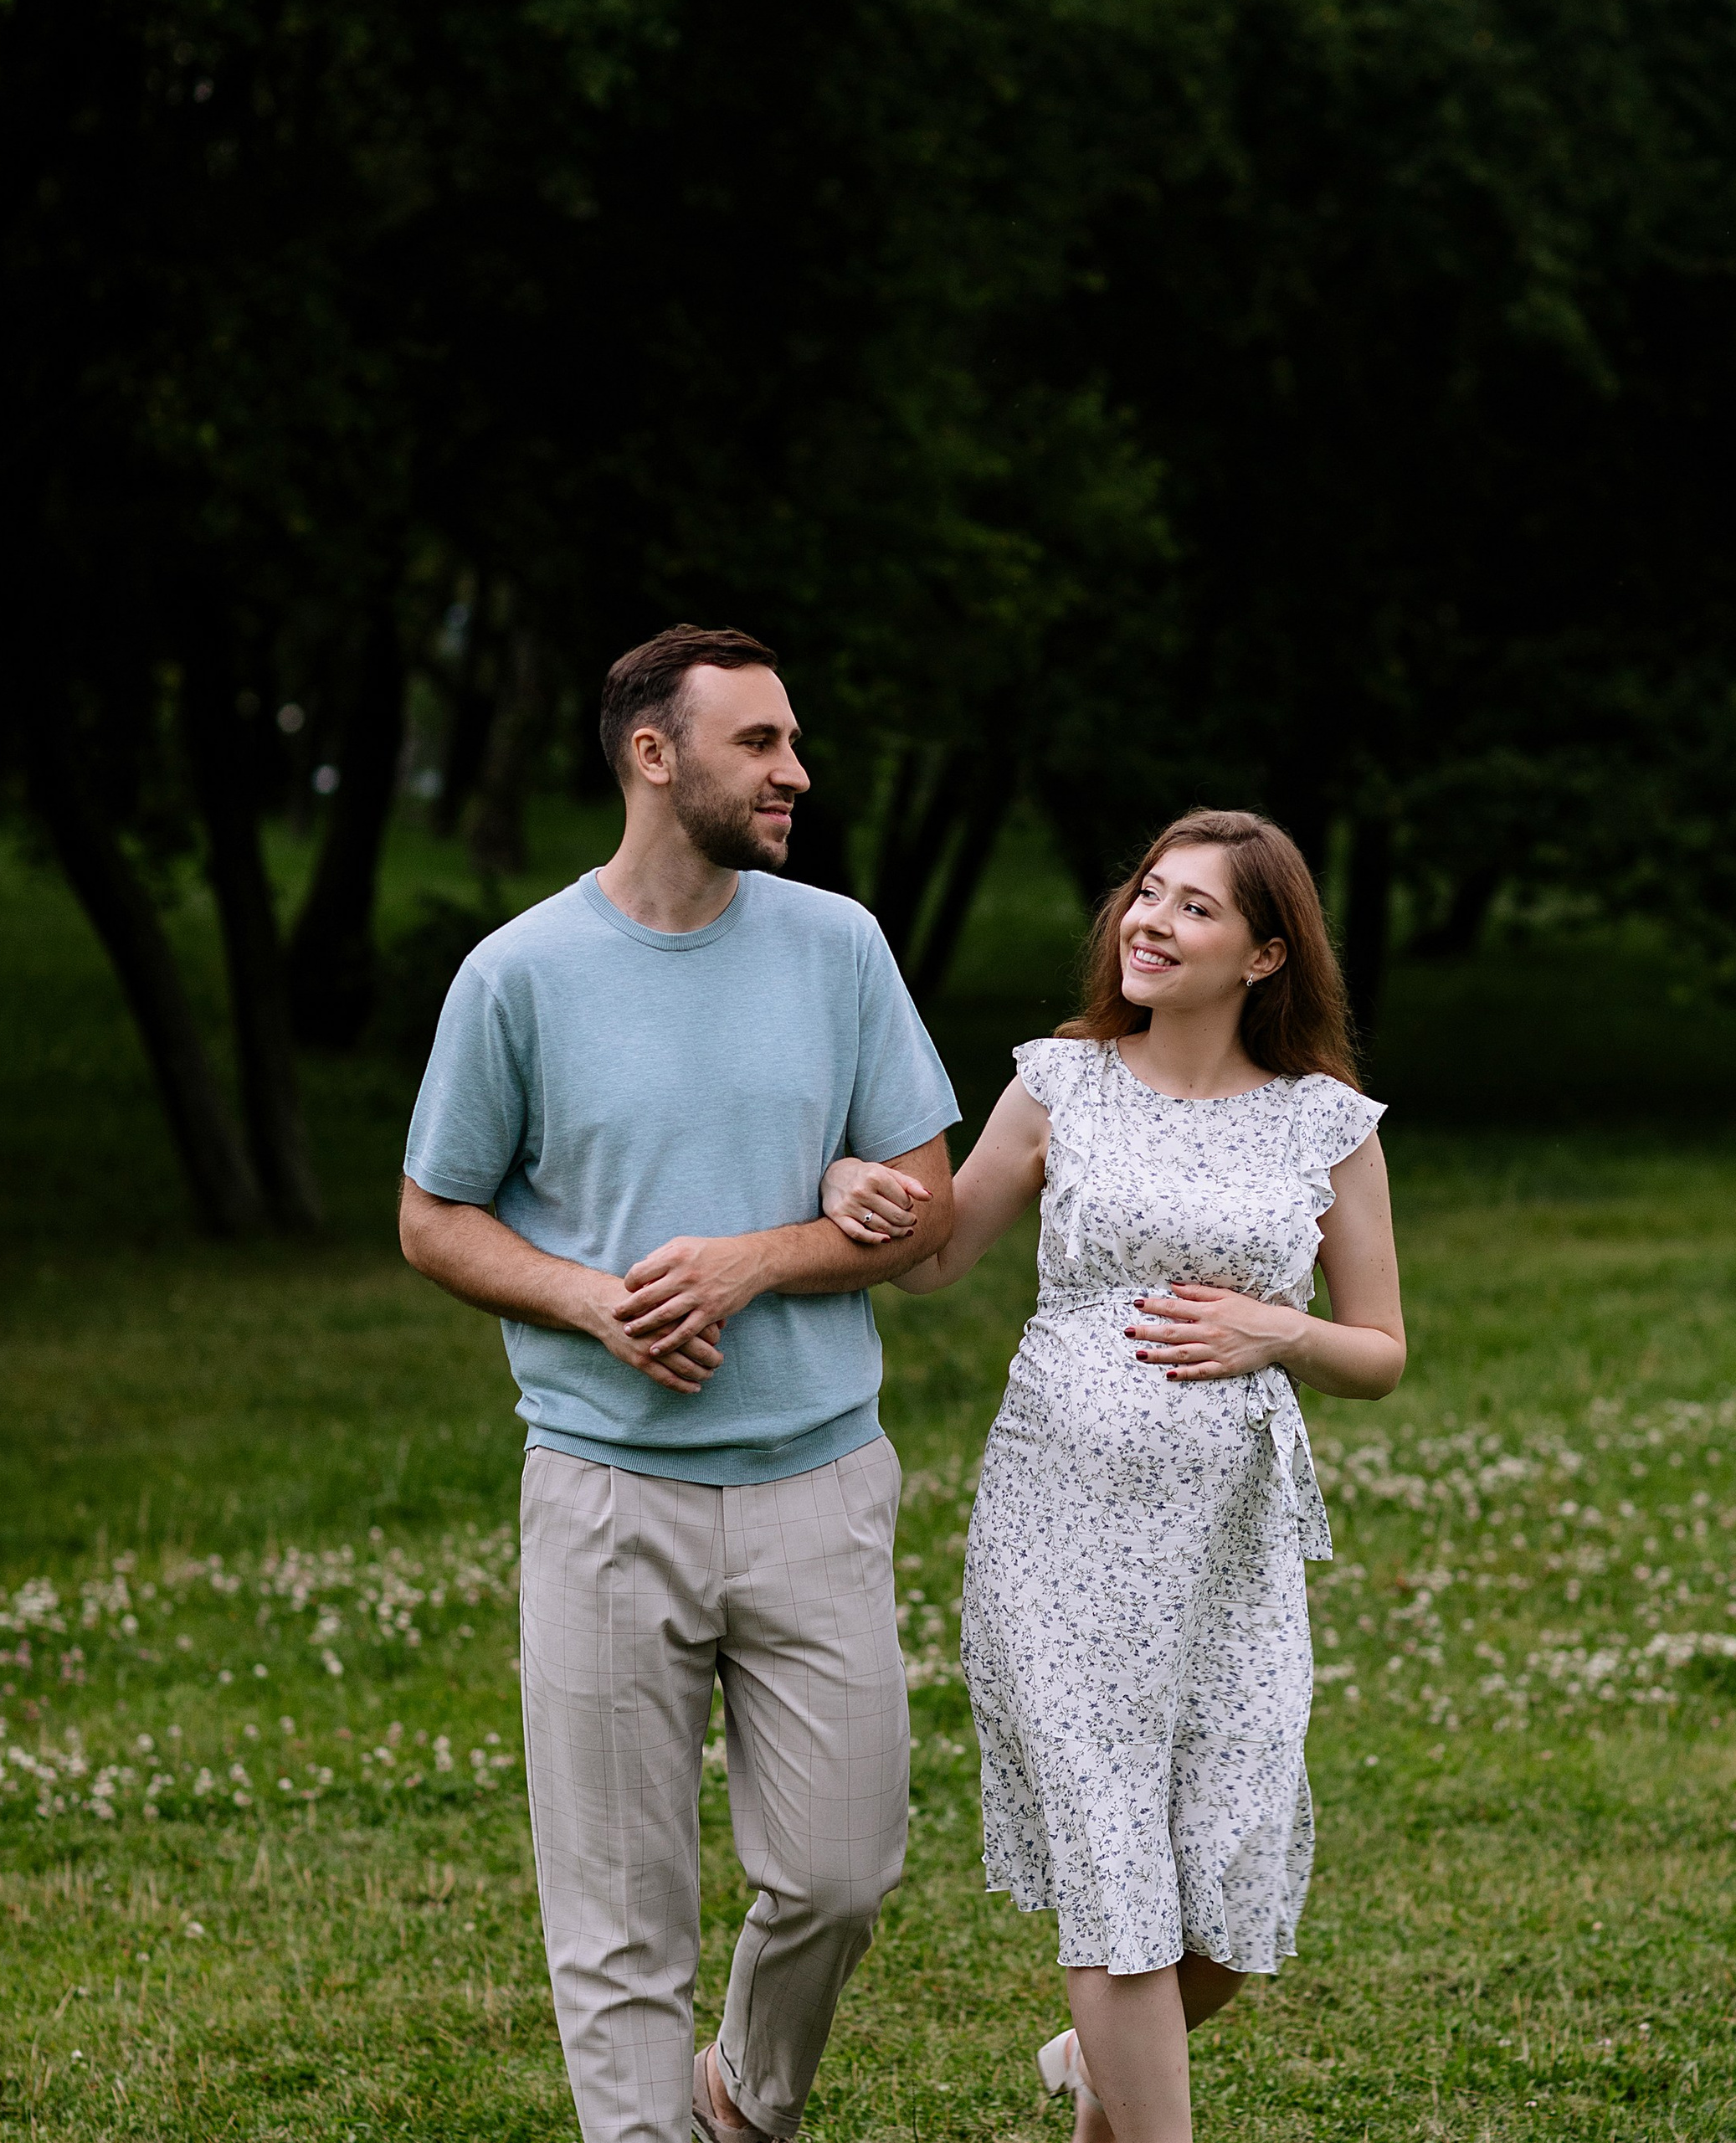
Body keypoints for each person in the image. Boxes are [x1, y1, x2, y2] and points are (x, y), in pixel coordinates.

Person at [397, 625, 959, 2143]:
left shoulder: (837, 944)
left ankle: (745, 2101)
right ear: (656, 755)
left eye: (791, 742)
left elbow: (930, 1207)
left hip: (817, 1480)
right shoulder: (516, 974)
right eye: (760, 744)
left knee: (841, 1873)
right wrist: (595, 1301)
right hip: (602, 1491)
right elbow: (431, 1216)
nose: (797, 772)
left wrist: (759, 1260)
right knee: (619, 1920)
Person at [820, 809, 1405, 2143]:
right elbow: (932, 1256)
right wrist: (855, 1178)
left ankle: (1103, 2070)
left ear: (1266, 954)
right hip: (1059, 1527)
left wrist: (1282, 1332)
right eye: (1147, 894)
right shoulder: (1063, 1081)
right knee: (1116, 1879)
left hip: (1228, 1552)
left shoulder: (1327, 1124)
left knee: (1236, 1900)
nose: (1149, 920)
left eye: (1194, 908)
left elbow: (1380, 1351)